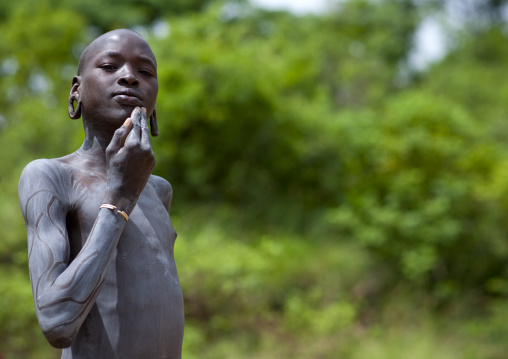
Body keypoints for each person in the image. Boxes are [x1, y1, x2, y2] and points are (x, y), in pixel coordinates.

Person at [18, 29, 184, 358]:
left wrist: (133, 186)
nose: (129, 78)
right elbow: (57, 322)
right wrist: (120, 199)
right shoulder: (51, 176)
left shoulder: (158, 190)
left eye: (145, 72)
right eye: (109, 67)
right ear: (75, 90)